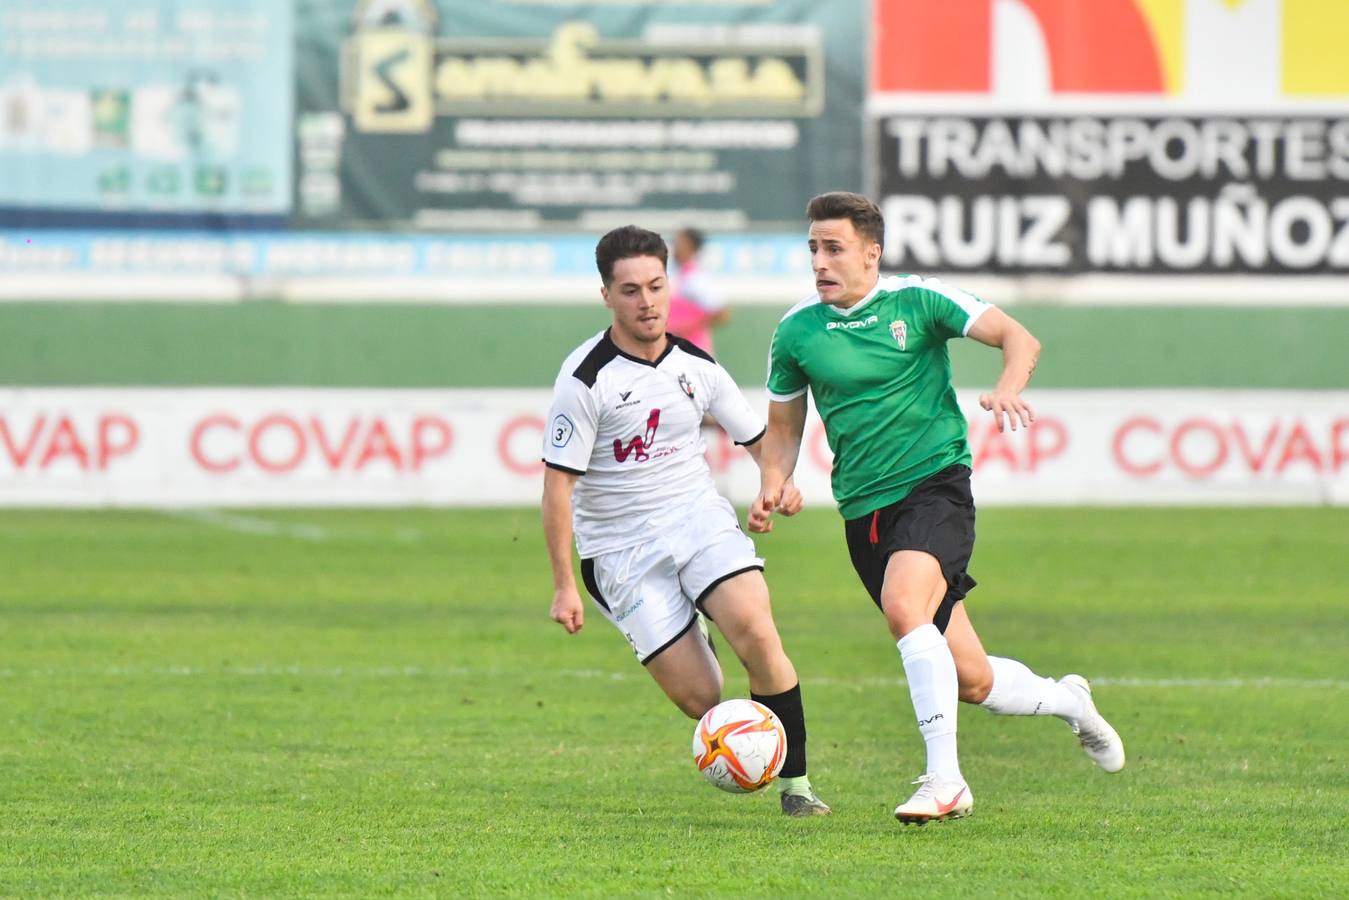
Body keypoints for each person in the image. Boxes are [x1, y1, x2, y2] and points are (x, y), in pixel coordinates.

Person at [750, 192, 1124, 825]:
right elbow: (783, 429)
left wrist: (1007, 387)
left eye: (834, 248)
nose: (820, 261)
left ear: (872, 253)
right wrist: (773, 480)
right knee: (973, 679)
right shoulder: (796, 331)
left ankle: (945, 780)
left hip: (934, 486)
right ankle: (1070, 702)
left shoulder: (918, 301)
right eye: (813, 247)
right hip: (863, 515)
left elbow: (1017, 337)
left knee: (903, 608)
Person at [542, 224, 830, 817]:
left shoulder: (696, 366)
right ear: (606, 295)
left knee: (755, 629)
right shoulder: (586, 379)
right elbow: (557, 487)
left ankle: (797, 787)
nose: (646, 302)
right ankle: (692, 628)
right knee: (704, 696)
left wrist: (778, 483)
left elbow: (759, 439)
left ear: (669, 284)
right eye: (629, 291)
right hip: (620, 551)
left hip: (697, 519)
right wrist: (565, 584)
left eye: (655, 286)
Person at [665, 227, 729, 355]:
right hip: (679, 350)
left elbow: (721, 313)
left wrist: (683, 328)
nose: (674, 248)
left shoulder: (697, 277)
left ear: (689, 245)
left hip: (694, 352)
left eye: (678, 242)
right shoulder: (682, 274)